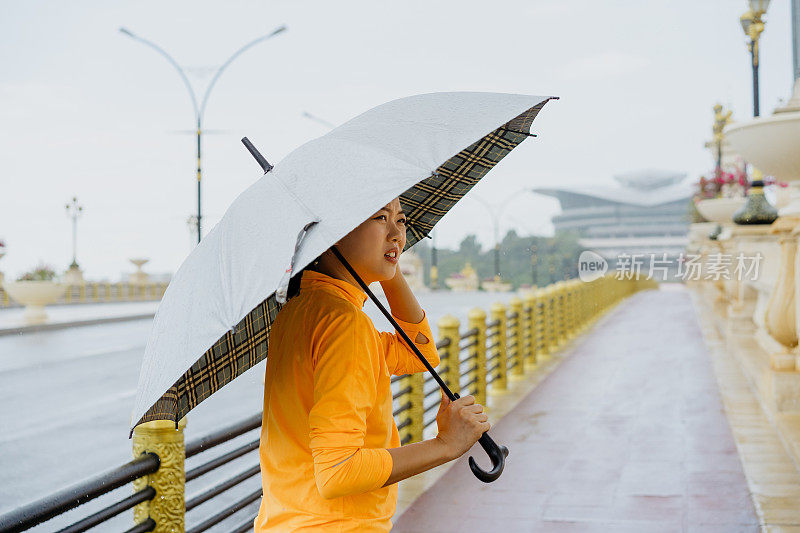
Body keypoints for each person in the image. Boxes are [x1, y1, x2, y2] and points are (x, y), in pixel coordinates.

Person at [254, 196, 490, 532]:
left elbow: (419, 352)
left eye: (402, 220)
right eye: (380, 218)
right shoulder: (344, 324)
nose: (397, 233)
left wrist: (386, 266)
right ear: (333, 235)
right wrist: (446, 444)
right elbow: (337, 472)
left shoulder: (301, 310)